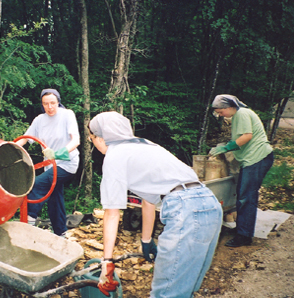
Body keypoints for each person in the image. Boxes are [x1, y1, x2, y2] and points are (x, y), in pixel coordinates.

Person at [89, 111, 222, 298]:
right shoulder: (145, 145)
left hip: (186, 210)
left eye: (92, 138)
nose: (93, 142)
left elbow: (112, 213)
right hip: (210, 203)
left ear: (100, 137)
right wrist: (146, 240)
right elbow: (148, 200)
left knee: (167, 293)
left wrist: (107, 262)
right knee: (184, 286)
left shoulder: (114, 156)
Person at [209, 94, 274, 247]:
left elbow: (247, 136)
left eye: (220, 112)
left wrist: (226, 147)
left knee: (246, 197)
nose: (220, 115)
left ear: (229, 107)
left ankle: (244, 237)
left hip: (258, 158)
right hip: (252, 159)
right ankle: (242, 229)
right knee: (243, 195)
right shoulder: (239, 115)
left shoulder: (242, 113)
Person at [13, 88, 80, 236]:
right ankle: (61, 233)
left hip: (67, 164)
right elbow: (25, 138)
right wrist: (7, 148)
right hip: (50, 166)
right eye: (45, 104)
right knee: (55, 200)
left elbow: (76, 141)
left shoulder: (67, 115)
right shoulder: (39, 120)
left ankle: (29, 221)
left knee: (36, 184)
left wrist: (57, 153)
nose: (50, 107)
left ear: (58, 102)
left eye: (52, 103)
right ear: (42, 104)